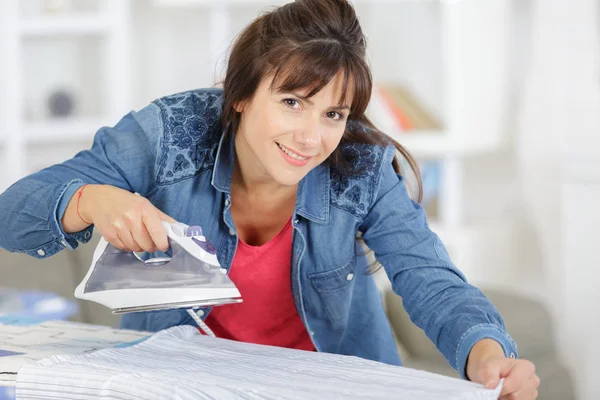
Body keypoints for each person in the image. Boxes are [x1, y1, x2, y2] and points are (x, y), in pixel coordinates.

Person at [0, 0, 539, 398]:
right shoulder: (170, 135)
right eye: (292, 102)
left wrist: (488, 356)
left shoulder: (361, 167)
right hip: (177, 386)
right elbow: (12, 213)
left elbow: (429, 277)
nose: (312, 137)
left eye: (333, 113)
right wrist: (93, 200)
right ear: (238, 95)